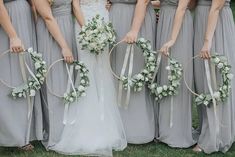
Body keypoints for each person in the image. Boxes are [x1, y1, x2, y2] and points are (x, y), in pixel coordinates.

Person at [50, 0, 127, 156]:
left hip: (104, 20)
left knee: (103, 71)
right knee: (88, 72)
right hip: (84, 22)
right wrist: (87, 30)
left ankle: (107, 127)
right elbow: (75, 5)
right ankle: (87, 127)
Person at [109, 0, 157, 144]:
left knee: (134, 69)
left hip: (135, 19)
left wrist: (134, 30)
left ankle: (136, 128)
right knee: (115, 71)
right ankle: (115, 126)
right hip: (115, 18)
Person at [33, 0, 77, 150]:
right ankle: (56, 135)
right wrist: (64, 46)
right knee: (55, 82)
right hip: (51, 33)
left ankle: (72, 130)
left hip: (69, 29)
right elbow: (47, 18)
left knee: (69, 81)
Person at [193, 0, 235, 153]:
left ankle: (216, 136)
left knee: (214, 79)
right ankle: (206, 129)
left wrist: (207, 41)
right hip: (202, 21)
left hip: (216, 25)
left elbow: (216, 7)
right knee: (202, 78)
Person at [0, 0, 42, 150]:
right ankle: (15, 134)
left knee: (25, 74)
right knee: (13, 76)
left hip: (24, 21)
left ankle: (25, 132)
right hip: (11, 21)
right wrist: (13, 35)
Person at [156, 0, 196, 148]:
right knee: (164, 73)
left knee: (175, 70)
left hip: (177, 25)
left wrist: (172, 39)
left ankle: (176, 131)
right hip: (165, 21)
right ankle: (164, 128)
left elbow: (183, 7)